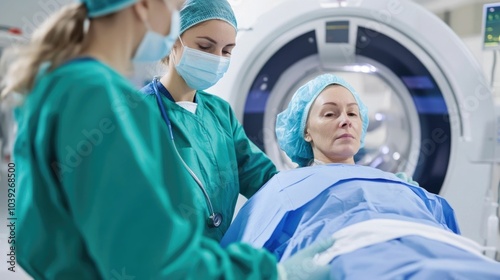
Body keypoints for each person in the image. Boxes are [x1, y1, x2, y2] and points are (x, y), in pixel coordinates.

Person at [0, 1, 333, 279]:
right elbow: (151, 259)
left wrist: (320, 185)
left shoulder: (64, 83)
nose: (218, 58)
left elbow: (35, 234)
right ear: (145, 6)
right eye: (175, 7)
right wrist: (272, 273)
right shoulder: (102, 99)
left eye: (228, 50)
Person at [221, 74, 500, 279]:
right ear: (305, 131)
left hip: (436, 245)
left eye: (353, 113)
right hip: (351, 254)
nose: (346, 120)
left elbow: (444, 228)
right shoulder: (283, 186)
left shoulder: (400, 183)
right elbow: (247, 249)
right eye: (330, 113)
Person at [140, 0, 277, 240]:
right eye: (205, 46)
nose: (217, 59)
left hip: (217, 261)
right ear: (173, 39)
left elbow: (262, 178)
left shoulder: (220, 113)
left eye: (226, 52)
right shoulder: (137, 114)